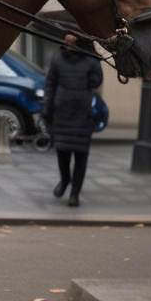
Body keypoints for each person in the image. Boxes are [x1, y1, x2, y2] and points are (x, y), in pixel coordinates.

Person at [43, 33, 103, 207]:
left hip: (82, 114)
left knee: (80, 156)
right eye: (66, 41)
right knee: (62, 152)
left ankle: (74, 193)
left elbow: (96, 82)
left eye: (71, 42)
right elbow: (50, 84)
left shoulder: (91, 61)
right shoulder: (57, 59)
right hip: (62, 113)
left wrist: (95, 56)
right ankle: (65, 180)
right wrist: (47, 106)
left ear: (79, 43)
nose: (67, 44)